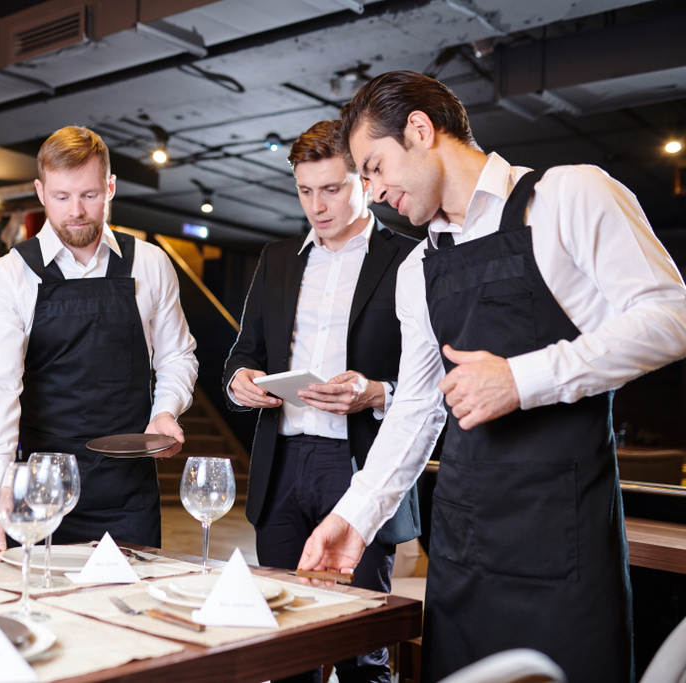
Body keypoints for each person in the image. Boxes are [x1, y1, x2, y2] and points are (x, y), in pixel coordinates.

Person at [297, 70, 686, 682]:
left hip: (565, 540)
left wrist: (523, 379)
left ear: (420, 131)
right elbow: (417, 409)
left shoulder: (569, 196)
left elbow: (671, 316)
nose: (370, 193)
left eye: (373, 167)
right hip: (463, 546)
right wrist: (357, 515)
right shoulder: (417, 268)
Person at [223, 119, 419, 683]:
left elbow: (430, 381)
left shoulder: (410, 259)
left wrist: (377, 392)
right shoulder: (278, 258)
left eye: (331, 189)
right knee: (285, 649)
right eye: (305, 191)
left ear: (364, 178)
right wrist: (240, 382)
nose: (317, 205)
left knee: (363, 651)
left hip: (360, 466)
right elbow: (242, 353)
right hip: (282, 465)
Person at [0, 125, 198, 557]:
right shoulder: (9, 274)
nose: (76, 211)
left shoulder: (150, 264)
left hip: (128, 490)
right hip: (41, 489)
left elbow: (177, 356)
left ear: (110, 187)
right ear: (40, 191)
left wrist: (165, 411)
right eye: (61, 197)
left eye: (90, 195)